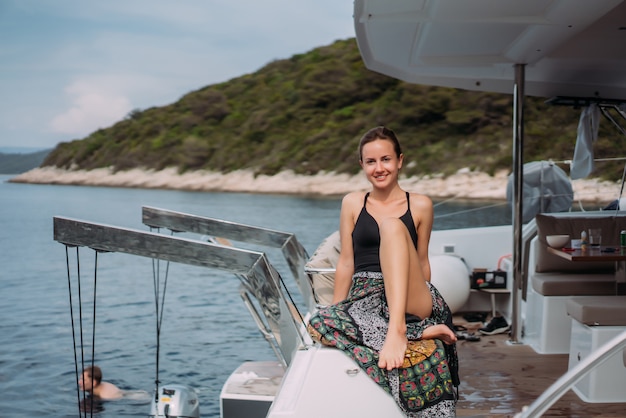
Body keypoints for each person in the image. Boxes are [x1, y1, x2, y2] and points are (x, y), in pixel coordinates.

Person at [308, 126, 459, 417]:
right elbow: (347, 263)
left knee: (391, 225)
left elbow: (422, 262)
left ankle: (402, 328)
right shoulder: (353, 203)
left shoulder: (421, 204)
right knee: (320, 322)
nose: (380, 168)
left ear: (400, 161)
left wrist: (419, 307)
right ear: (362, 165)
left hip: (410, 293)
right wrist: (340, 309)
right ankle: (422, 333)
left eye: (386, 159)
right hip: (367, 293)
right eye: (371, 161)